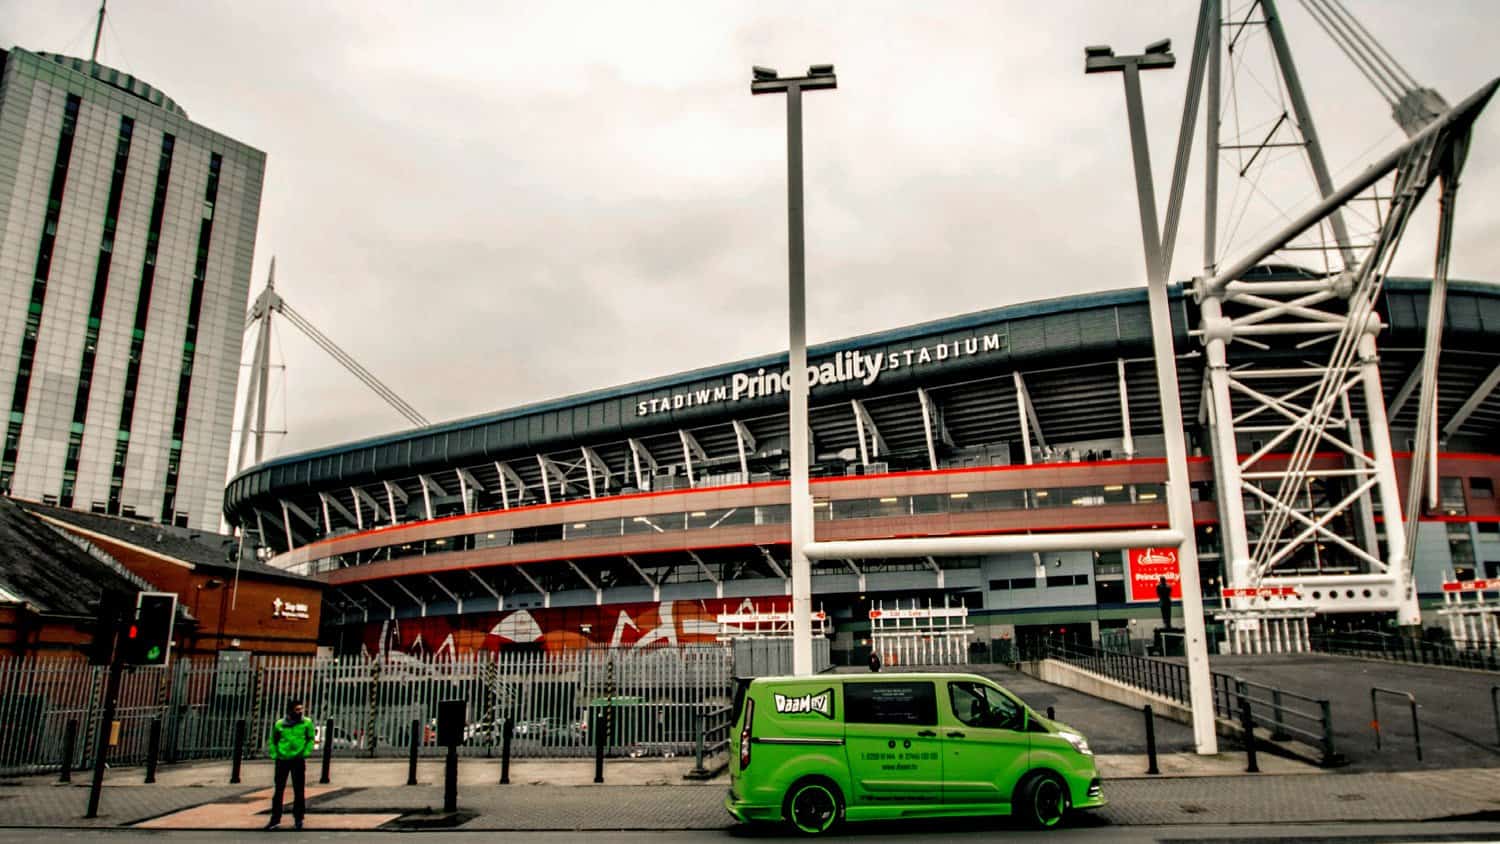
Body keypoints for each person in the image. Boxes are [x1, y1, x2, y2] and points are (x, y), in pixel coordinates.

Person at [266, 699, 316, 830]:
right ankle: (275, 819)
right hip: (282, 760)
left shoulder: (306, 723)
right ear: (291, 710)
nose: (300, 712)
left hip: (298, 759)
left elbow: (311, 738)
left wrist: (305, 752)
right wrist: (275, 754)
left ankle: (298, 819)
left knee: (298, 790)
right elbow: (273, 740)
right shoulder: (280, 724)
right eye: (297, 709)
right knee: (279, 790)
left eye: (301, 709)